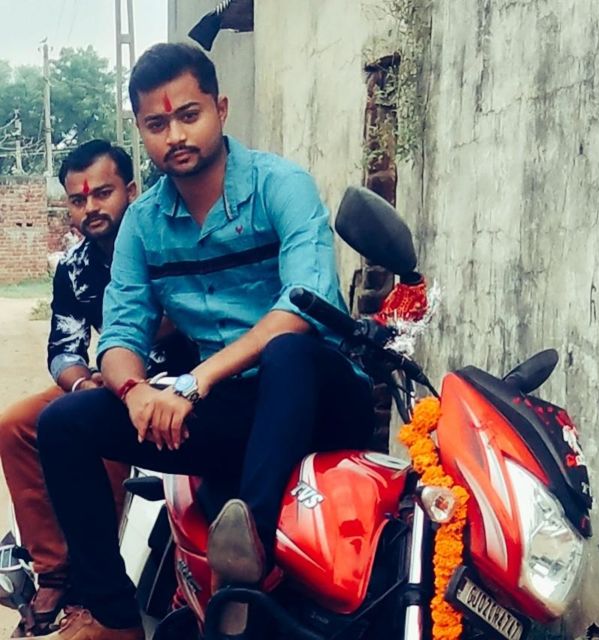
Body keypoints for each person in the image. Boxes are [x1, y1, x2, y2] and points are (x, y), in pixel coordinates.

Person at [36, 43, 374, 640]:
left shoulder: (281, 186)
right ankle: (115, 619)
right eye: (156, 124)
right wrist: (136, 391)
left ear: (221, 109)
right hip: (231, 414)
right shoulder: (143, 224)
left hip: (318, 399)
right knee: (64, 423)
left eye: (189, 115)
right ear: (142, 131)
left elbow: (299, 309)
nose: (175, 135)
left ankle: (245, 559)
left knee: (287, 350)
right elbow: (120, 334)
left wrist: (194, 383)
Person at [0, 139, 195, 637]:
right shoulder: (74, 266)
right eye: (77, 199)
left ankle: (100, 588)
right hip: (107, 381)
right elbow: (64, 347)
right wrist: (83, 381)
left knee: (93, 430)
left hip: (180, 383)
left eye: (102, 194)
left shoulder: (170, 243)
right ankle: (55, 572)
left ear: (131, 190)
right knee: (15, 425)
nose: (90, 208)